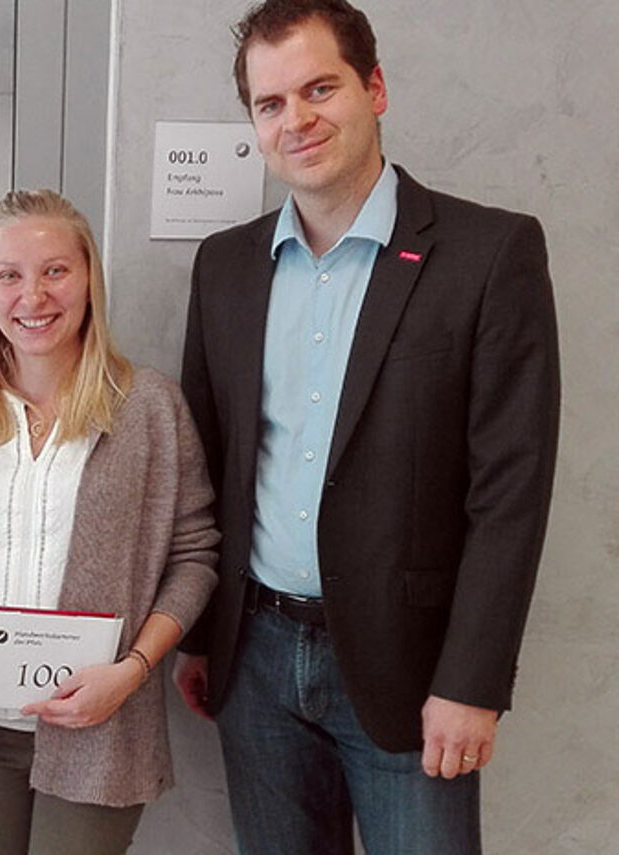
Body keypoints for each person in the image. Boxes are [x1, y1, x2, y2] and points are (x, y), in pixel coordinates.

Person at [173, 2, 560, 852]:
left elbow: (511, 493)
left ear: (374, 87)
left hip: (412, 672)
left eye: (320, 88)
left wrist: (473, 681)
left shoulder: (489, 254)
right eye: (270, 104)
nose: (296, 120)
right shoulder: (226, 266)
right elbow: (209, 468)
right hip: (256, 661)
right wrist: (202, 634)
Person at [0, 189, 219, 854]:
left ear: (88, 280)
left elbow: (194, 555)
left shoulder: (150, 409)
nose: (33, 296)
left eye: (55, 271)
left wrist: (132, 669)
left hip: (98, 724)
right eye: (9, 274)